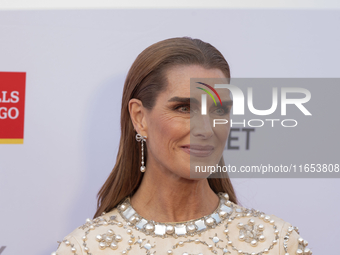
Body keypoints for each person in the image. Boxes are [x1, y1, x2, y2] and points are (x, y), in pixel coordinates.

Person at [52, 37, 312, 255]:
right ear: (140, 118)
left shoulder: (276, 243)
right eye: (184, 108)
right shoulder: (85, 249)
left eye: (220, 110)